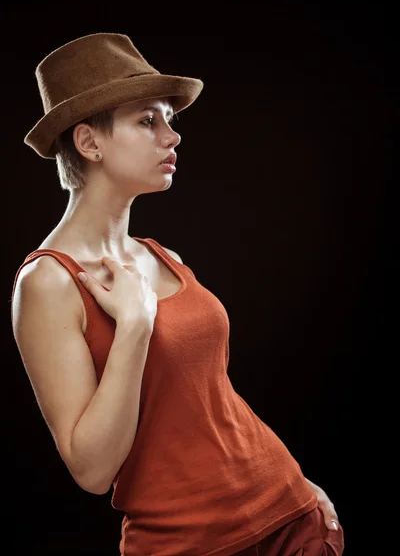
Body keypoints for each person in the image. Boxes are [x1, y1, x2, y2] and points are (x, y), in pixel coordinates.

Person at [11, 32, 344, 556]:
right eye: (147, 121)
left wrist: (298, 484)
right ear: (89, 143)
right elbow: (93, 471)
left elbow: (210, 400)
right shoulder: (48, 283)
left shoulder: (160, 257)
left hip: (291, 515)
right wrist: (136, 327)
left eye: (171, 120)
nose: (172, 137)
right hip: (189, 544)